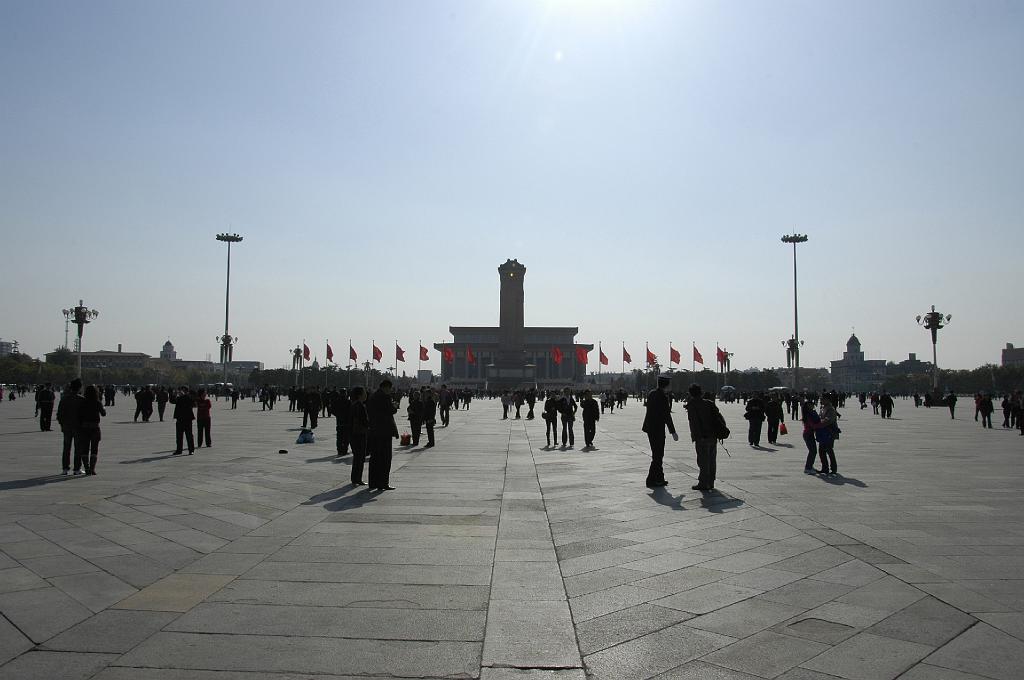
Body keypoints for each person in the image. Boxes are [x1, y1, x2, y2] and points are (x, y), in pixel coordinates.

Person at [684, 384, 726, 492]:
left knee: (703, 461)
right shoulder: (709, 403)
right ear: (701, 392)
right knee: (712, 460)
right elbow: (719, 417)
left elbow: (694, 423)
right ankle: (711, 482)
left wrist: (698, 436)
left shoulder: (693, 405)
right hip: (713, 436)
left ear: (691, 394)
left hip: (702, 437)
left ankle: (703, 483)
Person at [641, 376, 678, 488]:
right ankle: (651, 479)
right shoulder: (662, 397)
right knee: (658, 455)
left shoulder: (652, 393)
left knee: (657, 454)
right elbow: (666, 415)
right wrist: (673, 432)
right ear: (666, 385)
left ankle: (659, 478)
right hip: (657, 429)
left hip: (650, 428)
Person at [367, 380, 399, 491]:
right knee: (385, 458)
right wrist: (394, 406)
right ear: (386, 387)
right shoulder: (384, 397)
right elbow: (390, 410)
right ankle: (383, 483)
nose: (390, 391)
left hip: (374, 431)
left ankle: (373, 482)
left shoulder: (373, 397)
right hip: (384, 431)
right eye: (390, 388)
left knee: (375, 457)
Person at [56, 379, 84, 474]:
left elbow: (59, 414)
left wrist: (62, 424)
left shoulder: (64, 399)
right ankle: (77, 469)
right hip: (78, 427)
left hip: (67, 426)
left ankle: (65, 468)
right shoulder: (81, 400)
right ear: (80, 387)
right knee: (78, 448)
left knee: (66, 448)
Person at [78, 385, 106, 475]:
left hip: (84, 427)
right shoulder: (97, 402)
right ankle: (92, 469)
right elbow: (103, 414)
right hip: (95, 427)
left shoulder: (82, 402)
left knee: (85, 449)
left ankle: (86, 468)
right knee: (94, 449)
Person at [816, 393, 839, 476]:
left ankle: (833, 468)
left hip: (829, 432)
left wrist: (819, 423)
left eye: (822, 398)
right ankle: (825, 468)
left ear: (827, 399)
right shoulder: (823, 407)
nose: (821, 400)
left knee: (829, 450)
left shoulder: (830, 409)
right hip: (823, 432)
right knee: (821, 451)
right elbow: (820, 417)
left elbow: (828, 420)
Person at [170, 386, 196, 455]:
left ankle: (191, 450)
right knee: (179, 436)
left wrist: (185, 395)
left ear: (186, 391)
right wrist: (174, 395)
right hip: (179, 419)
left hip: (188, 419)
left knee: (189, 435)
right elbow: (172, 401)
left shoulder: (189, 397)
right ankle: (179, 450)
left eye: (183, 390)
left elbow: (193, 403)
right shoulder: (178, 398)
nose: (181, 392)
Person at [801, 400, 822, 473]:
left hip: (809, 434)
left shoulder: (811, 413)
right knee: (813, 451)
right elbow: (812, 425)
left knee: (813, 451)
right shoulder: (808, 414)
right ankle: (808, 468)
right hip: (808, 434)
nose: (812, 406)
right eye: (811, 404)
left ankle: (810, 466)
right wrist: (821, 424)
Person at [334, 388, 351, 456]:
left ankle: (339, 450)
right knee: (346, 437)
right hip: (347, 422)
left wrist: (338, 415)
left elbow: (333, 410)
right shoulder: (348, 401)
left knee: (339, 437)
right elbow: (351, 411)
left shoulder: (336, 401)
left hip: (339, 422)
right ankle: (344, 450)